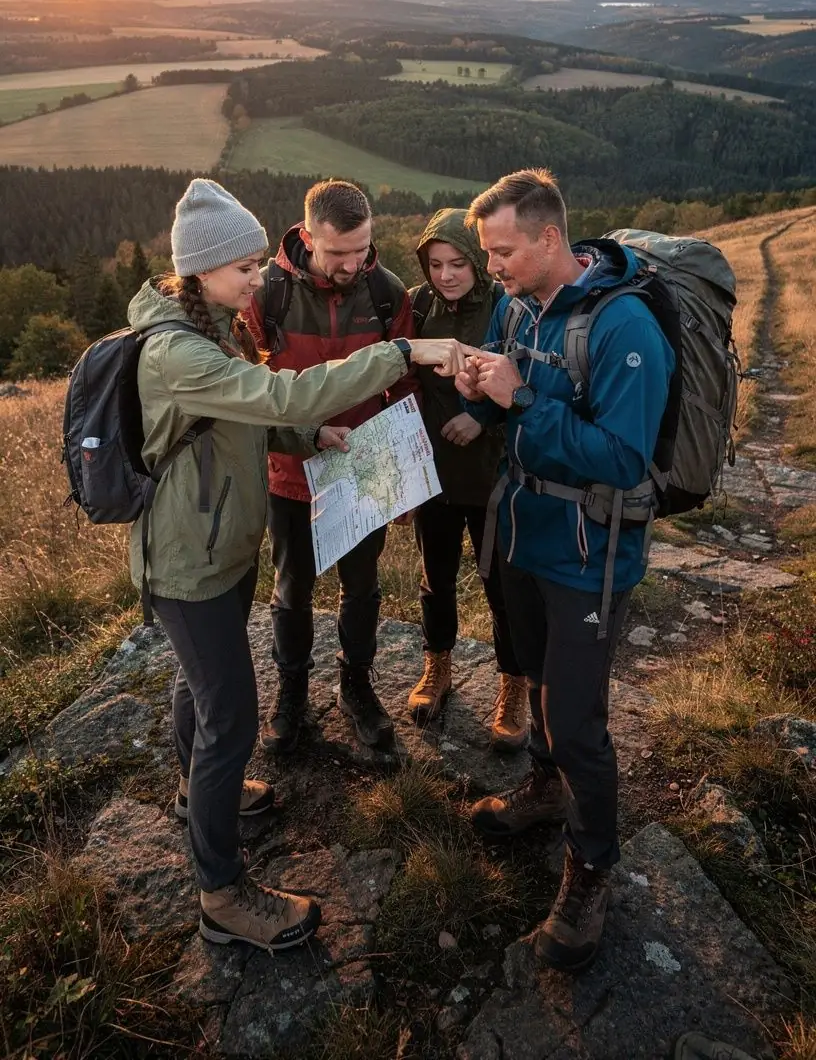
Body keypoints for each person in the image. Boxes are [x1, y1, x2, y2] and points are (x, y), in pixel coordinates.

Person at [130, 177, 466, 954]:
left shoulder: (209, 327)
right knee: (231, 717)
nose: (257, 279)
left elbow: (248, 422)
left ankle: (193, 793)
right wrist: (401, 352)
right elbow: (280, 394)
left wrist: (310, 440)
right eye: (244, 266)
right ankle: (222, 895)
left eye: (257, 265)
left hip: (216, 545)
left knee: (197, 689)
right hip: (188, 561)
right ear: (202, 268)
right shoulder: (182, 349)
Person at [455, 168, 674, 972]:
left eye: (503, 250)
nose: (493, 266)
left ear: (551, 238)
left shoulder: (625, 329)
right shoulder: (516, 305)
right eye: (487, 252)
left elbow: (621, 460)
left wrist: (519, 402)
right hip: (522, 532)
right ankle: (545, 789)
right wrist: (481, 386)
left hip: (590, 555)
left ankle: (591, 865)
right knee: (539, 679)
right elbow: (513, 388)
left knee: (578, 717)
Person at [244, 180, 419, 755]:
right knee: (292, 589)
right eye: (338, 252)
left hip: (362, 467)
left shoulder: (389, 293)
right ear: (307, 235)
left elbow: (404, 383)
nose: (352, 263)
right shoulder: (266, 294)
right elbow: (246, 389)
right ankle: (291, 693)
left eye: (362, 248)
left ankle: (356, 686)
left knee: (362, 587)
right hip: (290, 471)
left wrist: (404, 474)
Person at [406, 208, 527, 749]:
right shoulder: (417, 306)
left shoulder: (507, 307)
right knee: (436, 577)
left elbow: (523, 382)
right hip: (431, 471)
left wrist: (479, 418)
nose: (447, 274)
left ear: (478, 261)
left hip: (490, 473)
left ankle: (513, 684)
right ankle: (438, 666)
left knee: (501, 583)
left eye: (458, 262)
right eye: (435, 264)